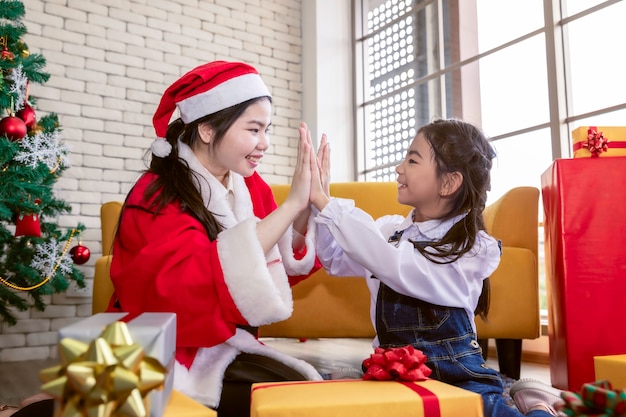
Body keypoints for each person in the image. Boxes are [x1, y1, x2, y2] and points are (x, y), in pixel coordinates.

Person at [106, 61, 324, 417]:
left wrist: (300, 218)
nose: (264, 143)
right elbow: (182, 290)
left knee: (298, 400)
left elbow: (266, 275)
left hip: (220, 344)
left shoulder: (251, 187)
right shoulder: (155, 193)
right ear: (207, 130)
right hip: (156, 346)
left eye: (267, 129)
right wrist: (290, 206)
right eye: (254, 130)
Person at [309, 118, 565, 416]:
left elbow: (400, 269)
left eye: (412, 160)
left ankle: (537, 404)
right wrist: (320, 206)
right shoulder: (389, 231)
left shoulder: (471, 247)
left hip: (457, 374)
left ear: (448, 183)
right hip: (397, 370)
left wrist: (330, 206)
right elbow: (333, 260)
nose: (399, 167)